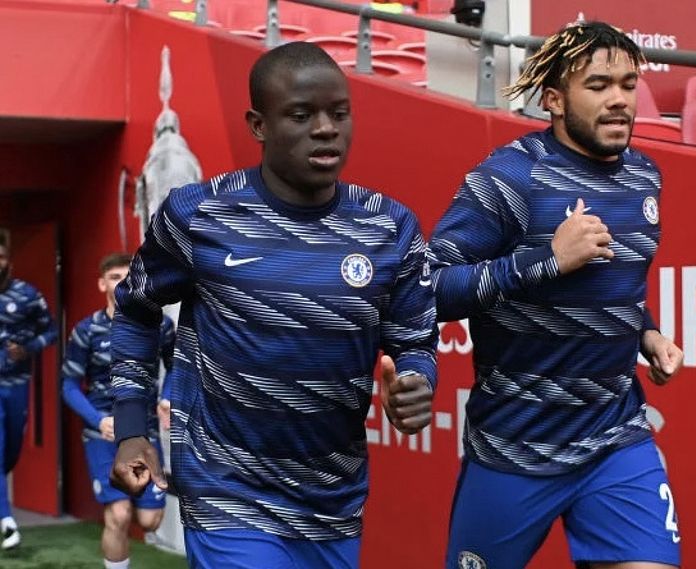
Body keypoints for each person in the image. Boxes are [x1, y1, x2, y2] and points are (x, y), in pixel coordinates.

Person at [109, 42, 438, 569]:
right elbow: (134, 310)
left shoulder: (389, 226)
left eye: (339, 113)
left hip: (332, 498)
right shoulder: (198, 215)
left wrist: (418, 381)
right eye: (302, 115)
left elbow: (414, 340)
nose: (326, 129)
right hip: (226, 489)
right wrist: (131, 426)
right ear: (258, 125)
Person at [429, 20, 684, 569]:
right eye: (598, 85)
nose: (619, 100)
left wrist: (647, 333)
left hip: (615, 439)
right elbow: (431, 290)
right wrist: (546, 261)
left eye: (628, 84)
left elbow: (615, 285)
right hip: (515, 447)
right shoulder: (508, 178)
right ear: (554, 100)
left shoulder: (645, 177)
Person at [61, 253, 175, 569]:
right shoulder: (86, 330)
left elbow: (177, 366)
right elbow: (68, 385)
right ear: (102, 284)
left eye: (128, 276)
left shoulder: (161, 325)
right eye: (114, 277)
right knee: (119, 514)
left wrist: (167, 397)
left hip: (145, 429)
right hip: (103, 432)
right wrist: (98, 420)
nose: (122, 282)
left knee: (150, 520)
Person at [0, 242, 58, 550]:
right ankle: (7, 521)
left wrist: (28, 348)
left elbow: (51, 331)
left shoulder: (28, 294)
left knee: (11, 450)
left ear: (8, 260)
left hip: (17, 383)